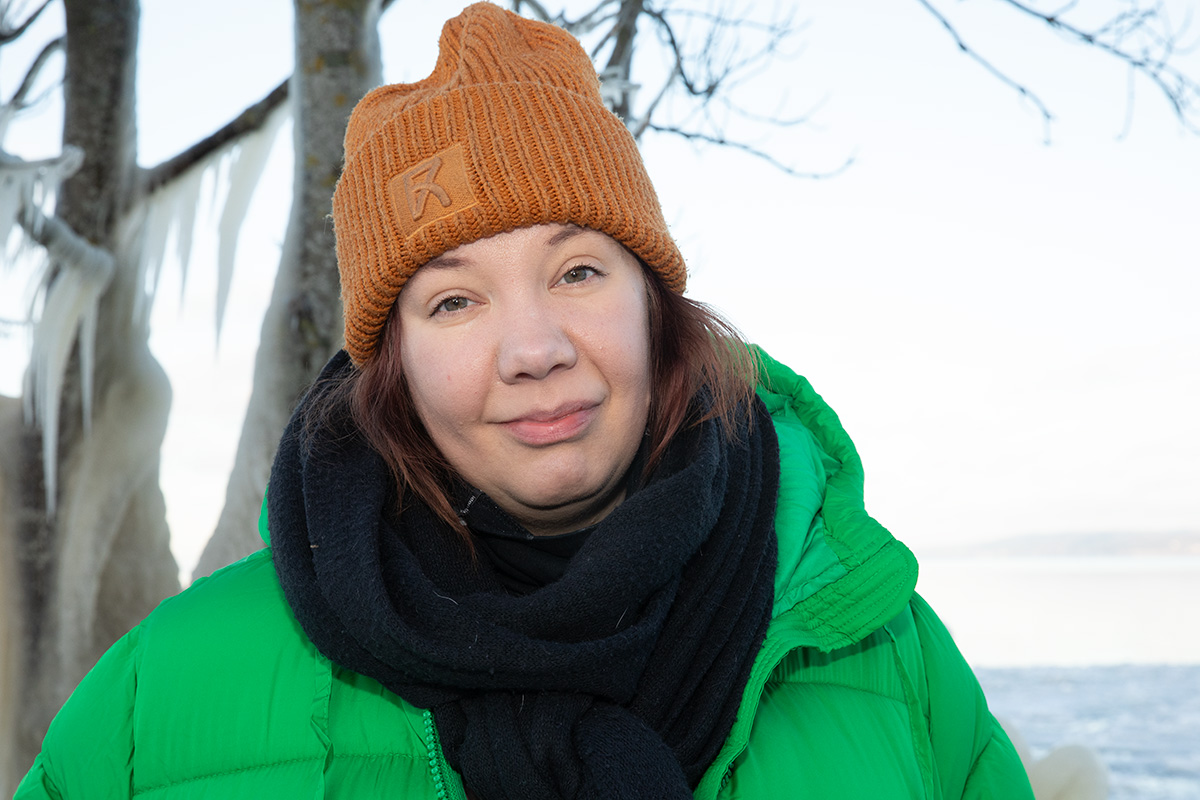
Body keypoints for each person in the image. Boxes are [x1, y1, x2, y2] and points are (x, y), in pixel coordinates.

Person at [16, 4, 1035, 798]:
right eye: (455, 299)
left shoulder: (880, 647)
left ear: (655, 307)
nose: (535, 348)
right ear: (393, 366)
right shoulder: (163, 692)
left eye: (580, 272)